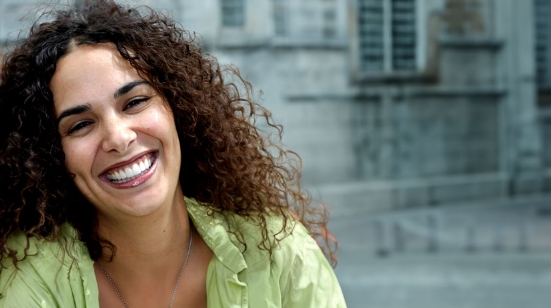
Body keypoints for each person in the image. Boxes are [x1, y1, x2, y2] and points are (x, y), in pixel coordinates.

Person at [0, 0, 346, 307]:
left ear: (179, 109)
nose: (118, 138)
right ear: (49, 157)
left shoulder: (279, 253)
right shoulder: (29, 277)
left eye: (134, 102)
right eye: (80, 125)